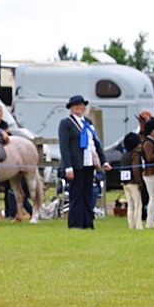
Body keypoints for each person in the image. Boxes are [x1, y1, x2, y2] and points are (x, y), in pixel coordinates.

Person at [58, 95, 111, 229]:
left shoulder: (87, 122)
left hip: (89, 163)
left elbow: (95, 143)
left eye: (81, 105)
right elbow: (64, 147)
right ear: (71, 108)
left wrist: (103, 161)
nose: (79, 107)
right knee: (76, 194)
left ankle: (88, 222)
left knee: (88, 193)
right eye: (76, 105)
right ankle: (75, 223)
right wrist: (68, 167)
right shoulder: (66, 123)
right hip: (76, 164)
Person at [120, 132, 144, 229]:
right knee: (138, 204)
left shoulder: (124, 155)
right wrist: (139, 181)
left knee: (130, 204)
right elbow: (135, 169)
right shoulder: (135, 155)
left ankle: (131, 225)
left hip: (125, 183)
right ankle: (138, 225)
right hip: (133, 183)